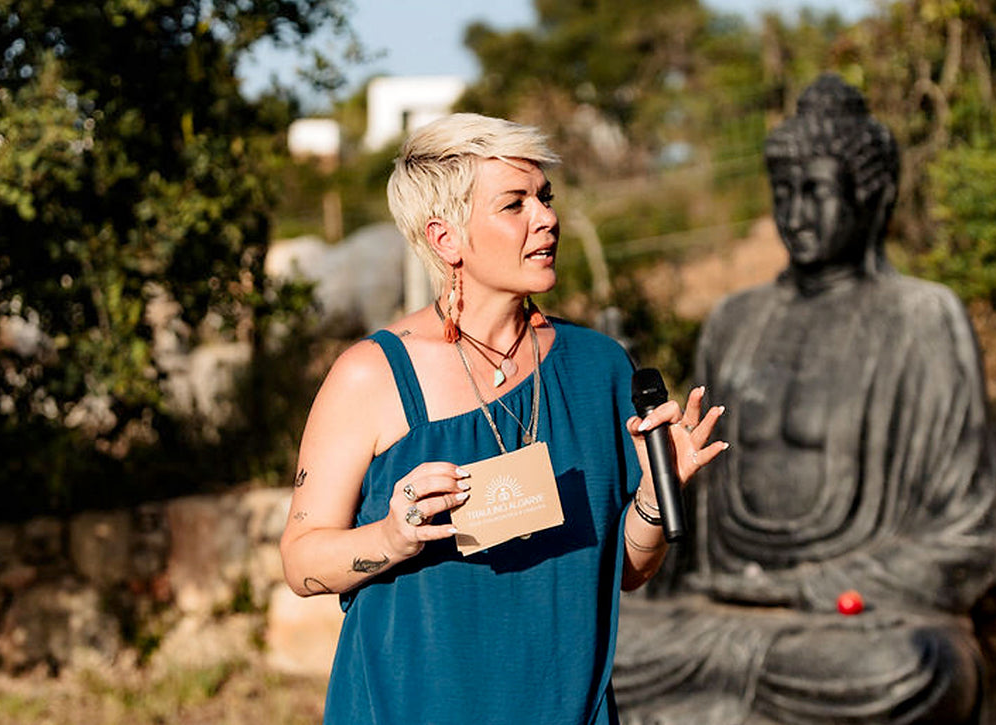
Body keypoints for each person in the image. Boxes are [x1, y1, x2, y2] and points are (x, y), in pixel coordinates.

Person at [280, 113, 726, 725]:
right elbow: (302, 565)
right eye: (513, 205)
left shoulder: (601, 369)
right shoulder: (371, 377)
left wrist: (655, 494)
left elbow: (623, 572)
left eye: (544, 198)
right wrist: (393, 535)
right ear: (445, 240)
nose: (545, 219)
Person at [613, 75, 996, 724]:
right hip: (708, 620)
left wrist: (804, 586)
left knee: (916, 664)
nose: (794, 214)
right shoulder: (732, 320)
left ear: (872, 194)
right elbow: (696, 505)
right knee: (604, 640)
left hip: (845, 626)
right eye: (781, 193)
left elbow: (969, 536)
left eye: (815, 191)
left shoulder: (922, 318)